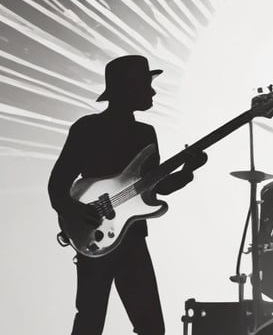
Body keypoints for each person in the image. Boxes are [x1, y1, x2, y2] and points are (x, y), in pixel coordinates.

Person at [48, 55, 207, 335]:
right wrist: (78, 212)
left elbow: (153, 190)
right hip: (94, 236)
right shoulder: (87, 128)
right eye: (146, 85)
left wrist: (187, 171)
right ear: (129, 87)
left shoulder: (146, 133)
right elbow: (57, 186)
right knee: (89, 323)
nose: (153, 92)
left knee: (152, 328)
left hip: (132, 238)